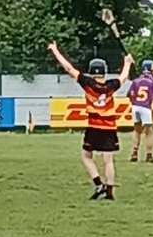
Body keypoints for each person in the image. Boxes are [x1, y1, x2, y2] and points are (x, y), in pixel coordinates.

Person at [48, 42, 133, 200]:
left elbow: (69, 68)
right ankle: (109, 192)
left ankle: (98, 183)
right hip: (109, 126)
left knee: (86, 156)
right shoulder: (111, 85)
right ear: (104, 71)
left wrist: (55, 50)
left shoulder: (87, 83)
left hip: (94, 126)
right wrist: (127, 63)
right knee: (108, 160)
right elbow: (123, 77)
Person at [126, 59, 153, 163]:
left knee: (136, 130)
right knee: (149, 132)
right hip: (146, 107)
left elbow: (129, 94)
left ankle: (134, 152)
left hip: (136, 106)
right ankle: (149, 154)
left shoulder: (136, 81)